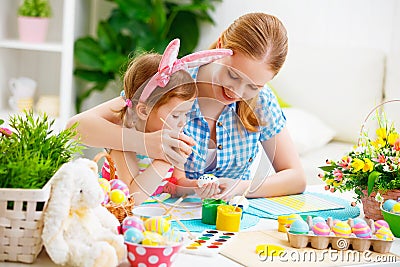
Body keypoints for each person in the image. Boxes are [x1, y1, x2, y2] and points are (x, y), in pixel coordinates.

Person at [67, 12, 306, 202]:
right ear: (221, 44)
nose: (237, 92)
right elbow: (76, 127)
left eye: (253, 86)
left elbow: (295, 178)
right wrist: (148, 144)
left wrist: (241, 187)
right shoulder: (175, 81)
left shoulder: (261, 101)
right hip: (167, 219)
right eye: (233, 75)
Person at [91, 39, 232, 204]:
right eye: (175, 115)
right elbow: (131, 198)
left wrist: (197, 186)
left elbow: (175, 184)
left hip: (160, 211)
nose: (182, 123)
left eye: (185, 114)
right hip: (123, 217)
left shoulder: (174, 136)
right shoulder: (124, 142)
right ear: (144, 111)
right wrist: (165, 160)